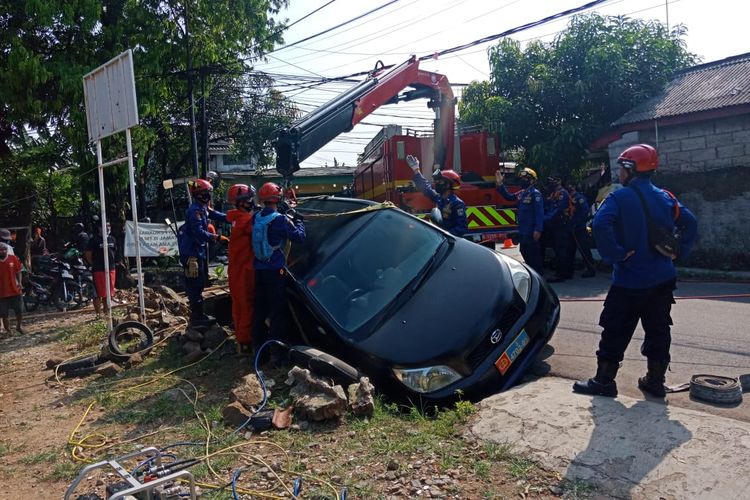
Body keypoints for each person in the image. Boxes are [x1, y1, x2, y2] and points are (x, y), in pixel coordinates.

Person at [573, 144, 698, 398]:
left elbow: (599, 224)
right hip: (662, 279)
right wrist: (679, 253)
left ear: (630, 169)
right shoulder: (666, 197)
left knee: (615, 329)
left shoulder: (620, 197)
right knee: (659, 330)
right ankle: (654, 381)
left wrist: (616, 254)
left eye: (621, 167)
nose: (619, 172)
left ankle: (604, 382)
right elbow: (690, 223)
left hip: (629, 281)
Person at [252, 182, 305, 360]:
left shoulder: (256, 217)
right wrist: (298, 220)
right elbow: (299, 237)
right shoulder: (280, 219)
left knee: (260, 309)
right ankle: (277, 353)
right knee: (277, 311)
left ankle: (259, 351)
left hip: (259, 270)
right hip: (275, 271)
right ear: (277, 198)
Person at [177, 178, 228, 326]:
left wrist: (234, 216)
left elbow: (217, 215)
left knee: (200, 282)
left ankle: (199, 314)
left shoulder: (203, 208)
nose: (208, 195)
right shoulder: (195, 211)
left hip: (198, 251)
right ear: (199, 194)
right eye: (206, 192)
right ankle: (197, 317)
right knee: (195, 284)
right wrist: (218, 237)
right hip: (191, 254)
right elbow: (199, 232)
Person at [226, 184, 257, 355]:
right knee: (248, 306)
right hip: (245, 269)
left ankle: (240, 338)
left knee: (238, 305)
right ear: (242, 202)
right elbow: (260, 232)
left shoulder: (235, 218)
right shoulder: (246, 220)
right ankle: (245, 342)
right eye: (250, 199)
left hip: (235, 269)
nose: (252, 202)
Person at [494, 168, 544, 273]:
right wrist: (500, 185)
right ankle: (532, 276)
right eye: (521, 178)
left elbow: (539, 213)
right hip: (522, 230)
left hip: (531, 231)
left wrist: (538, 229)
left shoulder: (535, 194)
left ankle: (539, 278)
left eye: (524, 178)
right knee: (525, 254)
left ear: (531, 181)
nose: (522, 180)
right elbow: (509, 197)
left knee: (534, 258)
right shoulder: (522, 193)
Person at [406, 155, 468, 237]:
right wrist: (416, 170)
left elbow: (461, 228)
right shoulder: (439, 198)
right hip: (441, 238)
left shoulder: (457, 203)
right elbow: (425, 187)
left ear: (448, 184)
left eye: (440, 182)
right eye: (437, 181)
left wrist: (445, 235)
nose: (437, 183)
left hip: (451, 241)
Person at [544, 175, 574, 282]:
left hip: (562, 225)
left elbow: (558, 210)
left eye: (552, 181)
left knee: (561, 250)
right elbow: (548, 206)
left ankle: (561, 274)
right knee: (559, 249)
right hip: (556, 225)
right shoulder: (553, 194)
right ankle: (565, 272)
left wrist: (545, 219)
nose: (550, 184)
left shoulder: (562, 193)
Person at [85, 222, 117, 316]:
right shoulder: (94, 240)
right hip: (99, 270)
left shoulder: (112, 239)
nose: (107, 228)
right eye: (105, 226)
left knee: (108, 293)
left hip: (111, 269)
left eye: (108, 226)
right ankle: (99, 314)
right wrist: (93, 263)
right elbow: (88, 254)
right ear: (99, 228)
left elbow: (114, 252)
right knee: (98, 293)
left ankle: (107, 313)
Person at [567, 184, 596, 278]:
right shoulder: (569, 197)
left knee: (584, 249)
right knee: (570, 250)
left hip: (579, 228)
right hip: (572, 227)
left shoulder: (579, 197)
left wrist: (579, 222)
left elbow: (585, 210)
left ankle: (591, 268)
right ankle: (570, 269)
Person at [0, 242, 24, 335]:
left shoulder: (13, 258)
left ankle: (19, 326)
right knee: (3, 314)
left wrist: (20, 283)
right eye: (0, 250)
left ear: (7, 250)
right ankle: (8, 330)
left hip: (15, 290)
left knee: (19, 310)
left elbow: (18, 271)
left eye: (4, 249)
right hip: (2, 293)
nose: (2, 251)